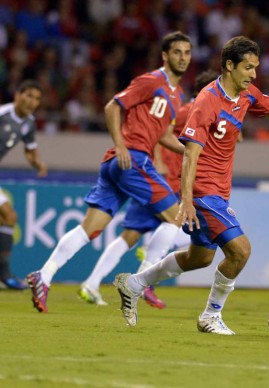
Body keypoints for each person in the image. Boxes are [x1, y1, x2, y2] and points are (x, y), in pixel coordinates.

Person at [113, 35, 269, 334]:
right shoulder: (207, 101)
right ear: (229, 66)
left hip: (219, 191)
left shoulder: (246, 95)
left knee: (200, 258)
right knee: (241, 251)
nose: (254, 74)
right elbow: (190, 156)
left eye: (256, 68)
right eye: (248, 67)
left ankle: (133, 284)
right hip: (204, 192)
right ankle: (211, 315)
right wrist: (186, 200)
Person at [27, 31, 192, 313]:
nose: (183, 58)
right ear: (165, 56)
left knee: (89, 228)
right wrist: (121, 145)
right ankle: (143, 281)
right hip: (132, 160)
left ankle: (44, 275)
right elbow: (112, 106)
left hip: (117, 165)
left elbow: (164, 134)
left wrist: (188, 151)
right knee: (176, 217)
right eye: (177, 52)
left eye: (187, 53)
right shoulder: (151, 81)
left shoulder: (176, 97)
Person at [78, 70, 219, 308]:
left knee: (132, 234)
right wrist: (158, 161)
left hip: (162, 178)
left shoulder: (201, 112)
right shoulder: (188, 111)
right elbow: (157, 133)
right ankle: (146, 270)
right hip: (162, 179)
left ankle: (92, 283)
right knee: (187, 225)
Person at [0, 80, 48, 290]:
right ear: (17, 95)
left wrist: (36, 161)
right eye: (28, 95)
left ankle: (4, 274)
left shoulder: (29, 122)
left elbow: (30, 148)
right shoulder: (3, 114)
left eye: (37, 98)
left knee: (9, 217)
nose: (32, 101)